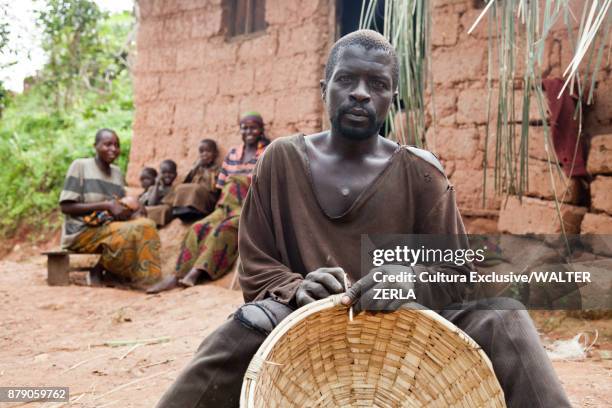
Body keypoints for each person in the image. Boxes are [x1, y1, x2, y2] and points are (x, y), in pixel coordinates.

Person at [155, 31, 571, 408]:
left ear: (392, 97)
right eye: (346, 80)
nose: (360, 94)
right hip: (305, 325)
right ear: (324, 88)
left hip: (407, 324)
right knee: (242, 328)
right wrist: (296, 287)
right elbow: (258, 267)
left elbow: (457, 273)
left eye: (377, 85)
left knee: (506, 318)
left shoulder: (422, 174)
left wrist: (409, 279)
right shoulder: (280, 160)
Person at [146, 112, 270, 294]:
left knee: (223, 230)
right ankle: (176, 275)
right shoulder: (234, 154)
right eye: (244, 127)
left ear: (261, 130)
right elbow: (220, 186)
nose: (248, 131)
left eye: (253, 127)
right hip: (224, 205)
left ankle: (197, 272)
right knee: (197, 228)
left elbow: (266, 186)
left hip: (248, 208)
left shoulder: (267, 152)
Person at [59, 128, 162, 290]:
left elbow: (117, 208)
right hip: (81, 232)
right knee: (141, 228)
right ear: (95, 146)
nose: (113, 149)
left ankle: (117, 273)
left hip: (107, 228)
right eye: (107, 144)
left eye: (116, 145)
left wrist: (134, 209)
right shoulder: (80, 166)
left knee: (144, 223)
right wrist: (106, 205)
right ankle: (149, 281)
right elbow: (66, 206)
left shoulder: (117, 173)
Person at [169, 139, 220, 222]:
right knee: (180, 188)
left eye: (208, 151)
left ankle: (197, 210)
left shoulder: (217, 170)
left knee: (196, 188)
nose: (204, 154)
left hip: (208, 199)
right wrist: (196, 167)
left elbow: (217, 189)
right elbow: (186, 182)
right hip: (194, 196)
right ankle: (182, 209)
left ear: (215, 154)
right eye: (201, 152)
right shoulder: (197, 168)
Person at [142, 159, 178, 226]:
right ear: (159, 175)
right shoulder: (153, 188)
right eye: (164, 173)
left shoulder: (176, 189)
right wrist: (156, 185)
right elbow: (151, 203)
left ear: (175, 175)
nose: (167, 175)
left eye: (171, 173)